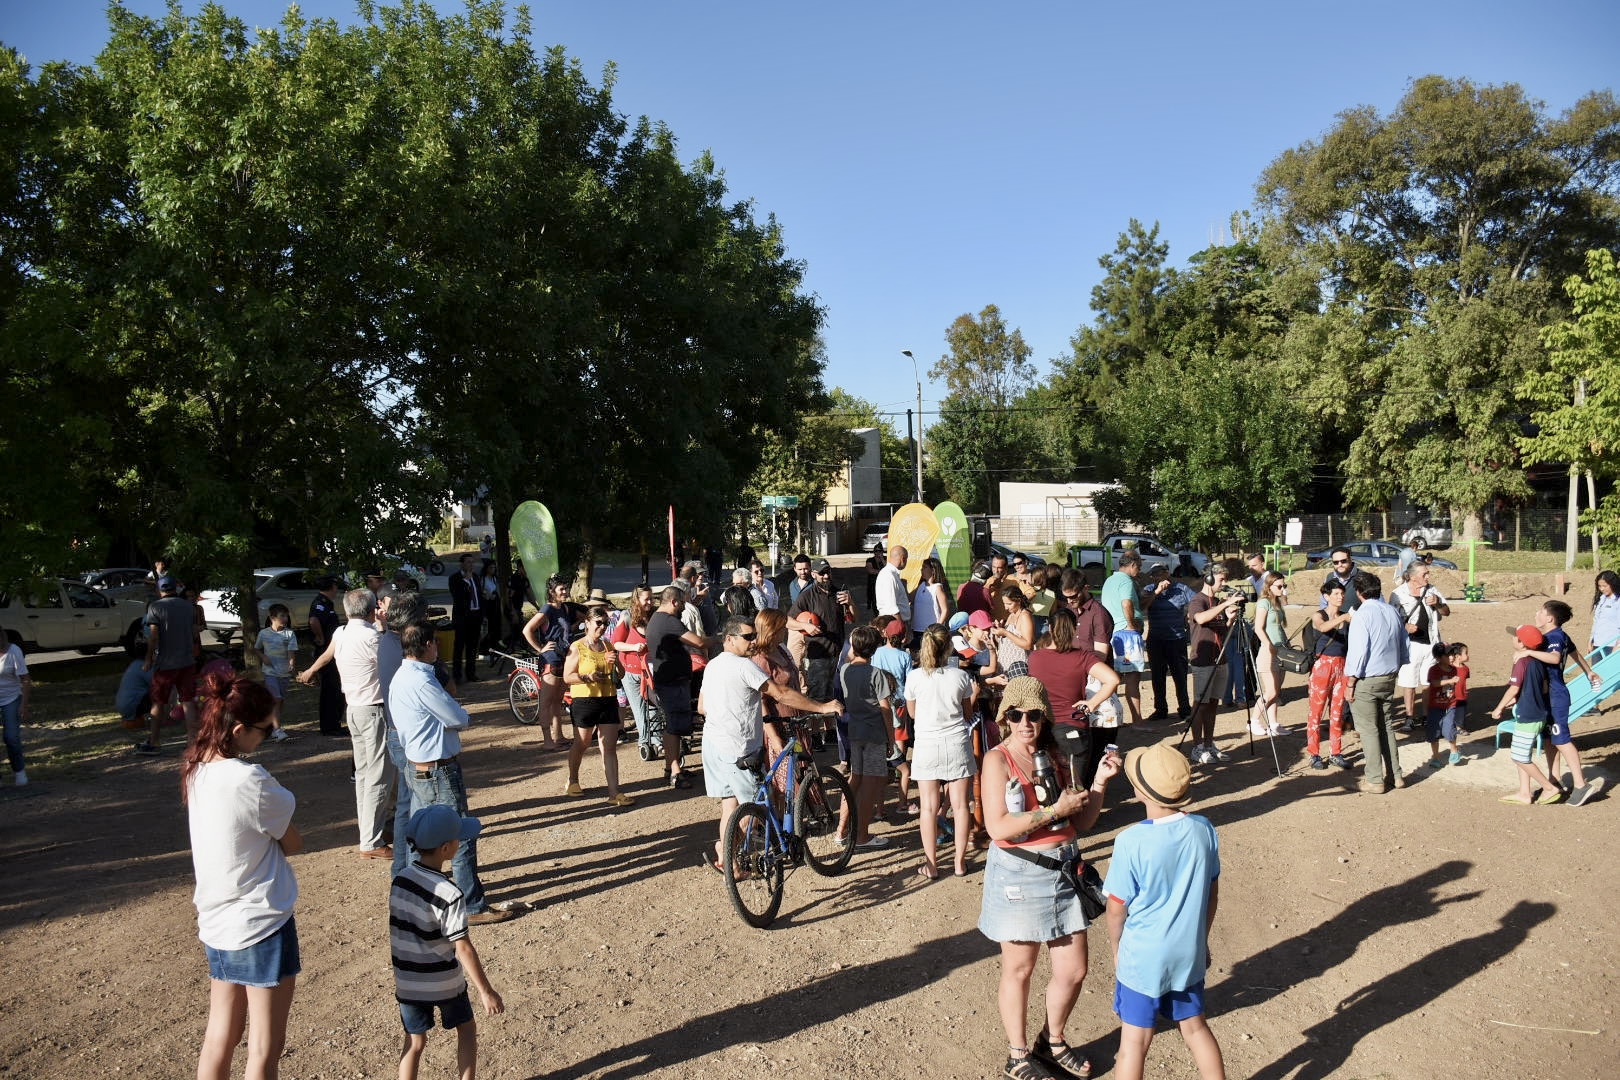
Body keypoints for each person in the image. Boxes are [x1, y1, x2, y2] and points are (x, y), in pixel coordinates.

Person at [979, 677, 1120, 1080]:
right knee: (1020, 969)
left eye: (1034, 715)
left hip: (1064, 870)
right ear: (1004, 717)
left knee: (1074, 970)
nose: (1025, 723)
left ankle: (1051, 1040)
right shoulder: (998, 760)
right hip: (1021, 872)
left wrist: (1098, 784)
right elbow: (997, 826)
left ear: (1045, 717)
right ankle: (1017, 1055)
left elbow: (1085, 820)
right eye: (1016, 714)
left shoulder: (1058, 755)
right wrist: (1053, 812)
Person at [183, 672, 301, 1080]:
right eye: (266, 730)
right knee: (265, 1049)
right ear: (239, 729)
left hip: (216, 921)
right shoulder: (250, 779)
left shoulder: (195, 769)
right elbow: (294, 841)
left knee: (221, 1036)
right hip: (260, 921)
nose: (268, 736)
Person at [1104, 743, 1225, 1080]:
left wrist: (1117, 950)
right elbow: (1212, 892)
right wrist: (1202, 939)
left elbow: (1116, 909)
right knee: (1195, 1028)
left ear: (1139, 791)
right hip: (1189, 951)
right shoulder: (1204, 829)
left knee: (1134, 1042)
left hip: (1142, 956)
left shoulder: (1131, 841)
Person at [388, 622, 517, 924]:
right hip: (438, 769)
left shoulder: (401, 676)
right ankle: (472, 905)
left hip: (417, 765)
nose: (438, 648)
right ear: (427, 645)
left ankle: (414, 896)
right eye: (434, 643)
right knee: (458, 836)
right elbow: (457, 717)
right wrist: (455, 716)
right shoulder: (422, 681)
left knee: (419, 836)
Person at [699, 615, 841, 870]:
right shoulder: (744, 666)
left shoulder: (713, 665)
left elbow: (702, 707)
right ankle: (727, 848)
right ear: (729, 639)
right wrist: (821, 707)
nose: (752, 641)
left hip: (712, 745)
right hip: (738, 747)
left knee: (730, 805)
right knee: (756, 806)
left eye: (754, 635)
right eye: (747, 637)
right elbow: (781, 693)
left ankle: (728, 859)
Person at [392, 804, 504, 1080]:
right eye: (458, 839)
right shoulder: (450, 893)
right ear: (445, 849)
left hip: (407, 982)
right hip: (444, 982)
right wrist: (485, 990)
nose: (460, 842)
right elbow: (462, 947)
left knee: (415, 1042)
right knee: (466, 1030)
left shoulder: (400, 880)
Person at [301, 589, 395, 859]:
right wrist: (384, 627)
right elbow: (390, 665)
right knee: (378, 778)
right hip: (374, 709)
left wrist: (310, 670)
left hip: (354, 708)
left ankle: (371, 832)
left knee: (365, 776)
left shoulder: (341, 633)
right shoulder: (373, 638)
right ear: (369, 610)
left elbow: (327, 655)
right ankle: (371, 840)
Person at [1514, 600, 1606, 806]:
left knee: (1561, 739)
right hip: (1547, 697)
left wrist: (1528, 652)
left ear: (1549, 618)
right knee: (1549, 739)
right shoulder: (1559, 635)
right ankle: (1555, 780)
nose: (1536, 614)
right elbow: (1575, 653)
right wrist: (1588, 671)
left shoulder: (1554, 637)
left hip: (1556, 697)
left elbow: (1555, 659)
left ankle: (1581, 785)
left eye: (1540, 611)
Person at [905, 626, 976, 879]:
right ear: (949, 648)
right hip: (956, 741)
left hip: (927, 745)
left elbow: (912, 714)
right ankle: (959, 862)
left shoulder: (914, 677)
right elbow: (968, 714)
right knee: (960, 806)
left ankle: (932, 864)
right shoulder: (960, 676)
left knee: (928, 807)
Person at [1028, 606, 1120, 788]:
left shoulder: (1035, 657)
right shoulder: (1083, 657)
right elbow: (1113, 679)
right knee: (1076, 785)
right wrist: (1092, 703)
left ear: (1050, 628)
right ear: (1074, 630)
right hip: (1074, 726)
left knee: (1048, 784)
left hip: (1044, 727)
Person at [1343, 572, 1409, 794]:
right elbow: (1403, 644)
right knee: (1386, 726)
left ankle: (1374, 779)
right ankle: (1395, 774)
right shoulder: (1391, 611)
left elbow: (1358, 653)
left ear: (1358, 592)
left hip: (1366, 679)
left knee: (1369, 729)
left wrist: (1350, 682)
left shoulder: (1363, 615)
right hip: (1389, 676)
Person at [562, 608, 633, 806]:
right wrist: (587, 677)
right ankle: (572, 780)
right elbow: (567, 676)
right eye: (598, 623)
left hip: (608, 699)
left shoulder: (608, 645)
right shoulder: (577, 647)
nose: (602, 627)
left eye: (605, 624)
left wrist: (616, 661)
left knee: (609, 747)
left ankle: (614, 793)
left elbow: (620, 674)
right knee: (582, 743)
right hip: (585, 701)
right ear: (588, 623)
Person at [1491, 625, 1566, 806]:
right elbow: (1542, 687)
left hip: (1528, 715)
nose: (1513, 638)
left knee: (1518, 756)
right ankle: (1524, 793)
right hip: (1538, 712)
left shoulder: (1521, 662)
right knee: (1523, 754)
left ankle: (1549, 787)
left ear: (1521, 643)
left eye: (1515, 636)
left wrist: (1499, 707)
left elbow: (1514, 687)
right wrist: (1519, 698)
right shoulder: (1537, 661)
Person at [788, 558, 856, 749]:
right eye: (822, 573)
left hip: (838, 652)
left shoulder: (839, 592)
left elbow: (852, 618)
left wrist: (850, 603)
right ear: (814, 575)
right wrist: (804, 626)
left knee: (836, 692)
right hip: (817, 653)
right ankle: (816, 734)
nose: (826, 576)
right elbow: (787, 620)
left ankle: (832, 731)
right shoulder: (807, 596)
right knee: (817, 695)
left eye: (828, 572)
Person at [841, 624, 897, 847]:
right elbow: (885, 709)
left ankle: (841, 829)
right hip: (874, 734)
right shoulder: (876, 674)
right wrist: (891, 739)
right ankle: (862, 835)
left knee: (855, 780)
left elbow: (847, 658)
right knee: (870, 786)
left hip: (854, 731)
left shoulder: (845, 670)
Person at [646, 586, 707, 789]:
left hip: (669, 680)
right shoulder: (669, 621)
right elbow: (698, 642)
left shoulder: (656, 618)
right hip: (672, 682)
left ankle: (670, 768)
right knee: (674, 726)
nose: (683, 606)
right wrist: (722, 639)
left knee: (672, 725)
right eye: (682, 602)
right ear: (673, 601)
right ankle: (675, 772)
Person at [1184, 567, 1244, 765]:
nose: (1223, 583)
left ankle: (1209, 744)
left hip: (1220, 658)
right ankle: (1197, 747)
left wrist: (1231, 619)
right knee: (1200, 704)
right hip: (1203, 660)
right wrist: (1226, 603)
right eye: (1220, 579)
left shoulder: (1217, 602)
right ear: (1208, 578)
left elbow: (1221, 632)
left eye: (1225, 579)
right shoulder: (1197, 600)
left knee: (1212, 704)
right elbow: (1200, 618)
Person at [139, 575, 200, 754]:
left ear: (159, 590)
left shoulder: (156, 607)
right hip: (187, 661)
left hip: (165, 663)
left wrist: (149, 658)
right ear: (176, 588)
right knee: (188, 701)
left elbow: (154, 635)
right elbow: (194, 631)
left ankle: (154, 741)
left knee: (158, 702)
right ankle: (192, 741)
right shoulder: (189, 607)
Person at [1391, 562, 1449, 729]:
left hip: (1431, 643)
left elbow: (1446, 612)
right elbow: (1392, 620)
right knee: (1409, 682)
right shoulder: (1398, 594)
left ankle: (1426, 715)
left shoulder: (1432, 590)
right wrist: (1405, 626)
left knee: (1428, 681)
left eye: (1428, 573)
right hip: (1411, 645)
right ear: (1413, 576)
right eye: (1424, 574)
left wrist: (1438, 603)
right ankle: (1409, 717)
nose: (1428, 577)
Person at [520, 576, 574, 753]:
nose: (565, 592)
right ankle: (547, 740)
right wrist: (540, 648)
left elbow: (564, 631)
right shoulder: (547, 609)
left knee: (557, 701)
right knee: (546, 702)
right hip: (550, 661)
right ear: (552, 592)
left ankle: (558, 736)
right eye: (561, 589)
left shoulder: (564, 608)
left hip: (563, 659)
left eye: (565, 588)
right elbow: (527, 629)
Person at [1304, 581, 1353, 769]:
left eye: (1342, 593)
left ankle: (1335, 752)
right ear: (1326, 597)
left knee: (1337, 712)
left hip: (1342, 665)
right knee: (1316, 712)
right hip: (1323, 665)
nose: (1340, 597)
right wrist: (1343, 619)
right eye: (1336, 594)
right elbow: (1322, 627)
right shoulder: (1320, 615)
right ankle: (1314, 753)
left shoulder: (1345, 617)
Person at [1141, 565, 1193, 721]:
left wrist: (1189, 613)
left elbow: (1196, 601)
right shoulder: (1149, 589)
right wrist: (1156, 592)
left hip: (1177, 639)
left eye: (1158, 574)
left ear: (1167, 573)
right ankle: (1160, 709)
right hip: (1155, 639)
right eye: (1153, 575)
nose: (1156, 578)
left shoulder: (1181, 588)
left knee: (1180, 675)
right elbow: (1142, 606)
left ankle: (1184, 708)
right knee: (1157, 676)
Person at [1101, 552, 1148, 726]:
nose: (1140, 570)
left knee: (1114, 677)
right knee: (1133, 679)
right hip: (1127, 633)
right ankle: (1137, 721)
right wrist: (1131, 624)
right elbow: (1126, 603)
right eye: (1139, 566)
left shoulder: (1110, 580)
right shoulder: (1126, 581)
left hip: (1114, 633)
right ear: (1132, 564)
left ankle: (1110, 717)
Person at [609, 586, 656, 753]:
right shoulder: (627, 617)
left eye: (651, 598)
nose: (650, 602)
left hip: (649, 670)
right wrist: (633, 646)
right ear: (637, 600)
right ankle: (644, 742)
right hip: (630, 671)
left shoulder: (653, 616)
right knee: (640, 708)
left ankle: (656, 740)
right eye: (646, 599)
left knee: (654, 706)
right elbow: (615, 643)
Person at [1248, 572, 1290, 737]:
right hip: (1268, 651)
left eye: (1284, 586)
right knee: (1270, 691)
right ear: (1269, 586)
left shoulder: (1276, 602)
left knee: (1276, 691)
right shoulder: (1263, 603)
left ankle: (1274, 724)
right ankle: (1254, 721)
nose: (1282, 589)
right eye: (1279, 586)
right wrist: (1268, 644)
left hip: (1281, 649)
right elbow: (1258, 628)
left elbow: (1279, 627)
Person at [252, 604, 297, 742]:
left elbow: (291, 652)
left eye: (286, 615)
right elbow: (257, 648)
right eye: (281, 616)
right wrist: (263, 657)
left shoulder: (289, 633)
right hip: (270, 672)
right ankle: (277, 730)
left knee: (280, 700)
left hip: (284, 673)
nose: (285, 618)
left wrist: (291, 663)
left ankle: (272, 727)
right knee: (275, 699)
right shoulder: (263, 633)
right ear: (272, 618)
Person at [307, 576, 345, 737]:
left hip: (331, 651)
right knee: (330, 689)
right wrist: (320, 637)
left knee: (335, 689)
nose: (337, 589)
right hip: (325, 652)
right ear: (332, 587)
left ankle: (334, 723)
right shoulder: (320, 603)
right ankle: (329, 726)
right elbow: (313, 620)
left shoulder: (326, 602)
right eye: (336, 586)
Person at [1422, 642, 1467, 770]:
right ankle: (1435, 757)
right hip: (1435, 707)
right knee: (1433, 732)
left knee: (1449, 729)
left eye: (1452, 654)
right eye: (1448, 655)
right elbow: (1434, 683)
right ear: (1438, 657)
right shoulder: (1434, 670)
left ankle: (1454, 751)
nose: (1451, 657)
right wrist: (1450, 681)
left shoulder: (1454, 669)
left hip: (1450, 706)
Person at [1, 635, 31, 785]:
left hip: (11, 698)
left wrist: (23, 706)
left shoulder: (13, 651)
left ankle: (19, 771)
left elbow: (25, 679)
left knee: (11, 737)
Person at [911, 557, 952, 649]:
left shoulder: (937, 587)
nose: (922, 569)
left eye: (925, 567)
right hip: (917, 629)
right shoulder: (921, 585)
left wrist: (938, 627)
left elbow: (945, 610)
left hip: (931, 631)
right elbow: (909, 599)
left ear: (933, 570)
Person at [874, 544, 911, 634]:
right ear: (903, 559)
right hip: (892, 625)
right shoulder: (889, 575)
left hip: (893, 623)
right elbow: (892, 608)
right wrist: (902, 630)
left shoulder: (892, 574)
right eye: (906, 559)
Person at [1592, 570, 1620, 656]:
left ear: (1613, 584)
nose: (1602, 589)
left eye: (1605, 586)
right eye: (1599, 586)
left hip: (1612, 644)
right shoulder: (1601, 599)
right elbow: (1596, 621)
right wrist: (1591, 640)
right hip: (1598, 644)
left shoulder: (1617, 601)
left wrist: (1618, 644)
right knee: (1596, 669)